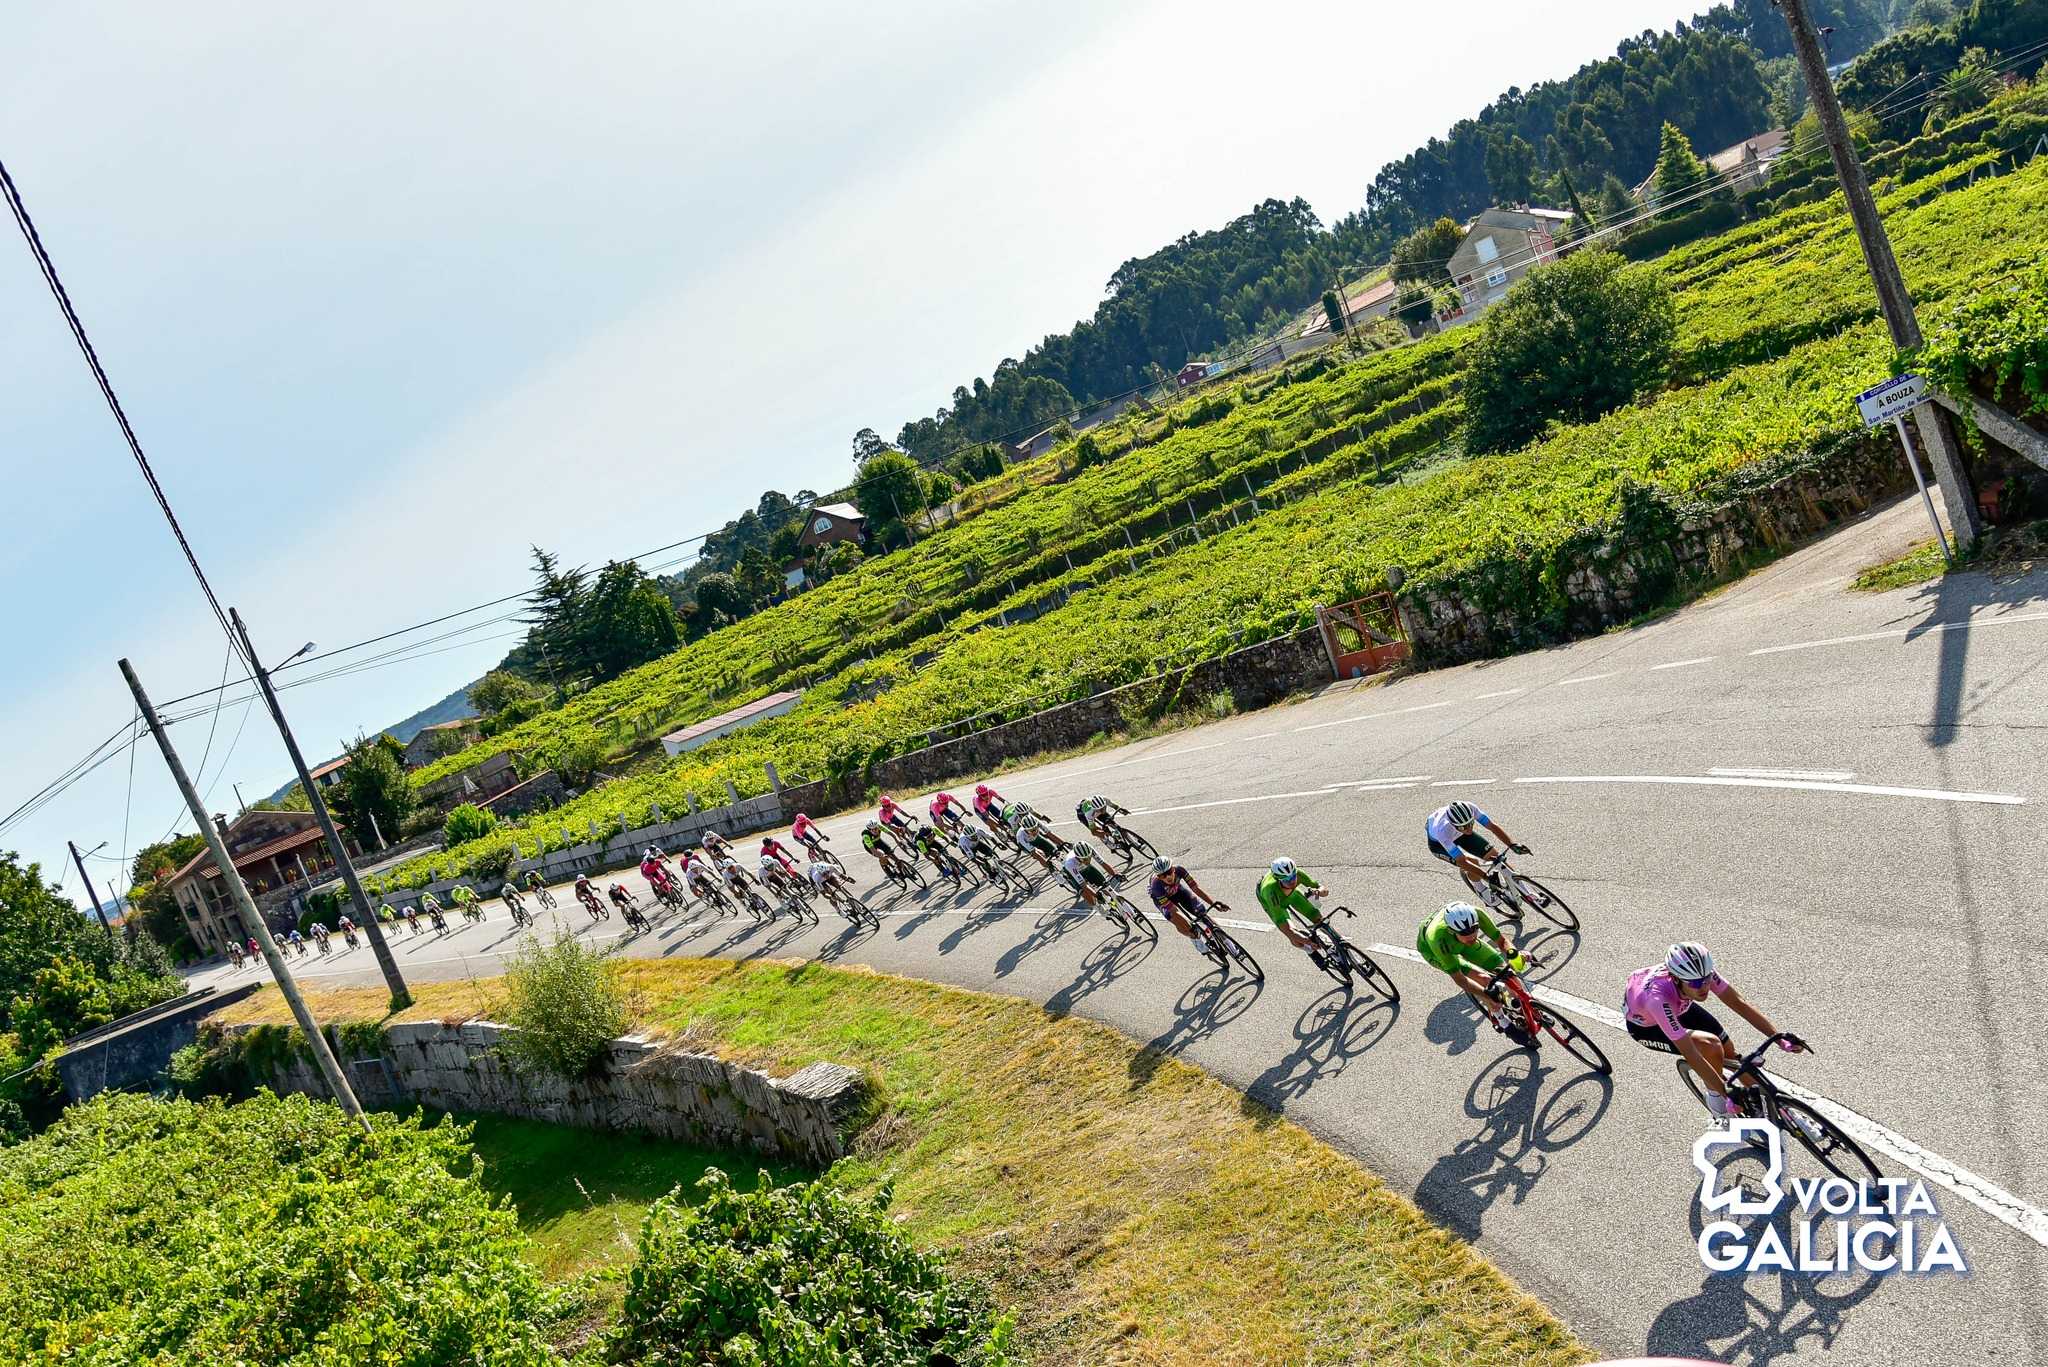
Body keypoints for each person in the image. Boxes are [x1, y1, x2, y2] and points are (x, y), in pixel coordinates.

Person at [1625, 942, 1806, 1118]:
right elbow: (1691, 1054)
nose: (1704, 987)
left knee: (1729, 1053)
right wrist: (1725, 1093)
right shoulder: (1658, 999)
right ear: (1676, 979)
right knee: (1710, 1046)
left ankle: (1775, 1109)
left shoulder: (1701, 973)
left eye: (1707, 980)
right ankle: (1718, 1109)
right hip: (1648, 1027)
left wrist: (1778, 1038)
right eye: (1696, 984)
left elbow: (1739, 1003)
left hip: (1680, 1007)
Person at [1416, 902, 1530, 1042]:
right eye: (1464, 933)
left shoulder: (1477, 914)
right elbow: (1460, 980)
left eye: (1474, 929)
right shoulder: (1438, 939)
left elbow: (1502, 941)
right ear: (1452, 931)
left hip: (1457, 942)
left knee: (1506, 972)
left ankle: (1529, 1007)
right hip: (1435, 951)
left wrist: (1514, 954)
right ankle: (1502, 1021)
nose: (1471, 936)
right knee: (1484, 981)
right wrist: (1486, 993)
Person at [1424, 801, 1529, 906]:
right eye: (1463, 827)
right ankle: (1480, 889)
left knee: (1496, 857)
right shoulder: (1442, 830)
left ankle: (1525, 890)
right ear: (1453, 824)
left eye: (1470, 824)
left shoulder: (1470, 808)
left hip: (1460, 835)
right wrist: (1486, 877)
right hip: (1439, 845)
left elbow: (1492, 826)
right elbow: (1462, 862)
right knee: (1472, 861)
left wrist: (1512, 844)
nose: (1469, 829)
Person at [1254, 857, 1330, 957]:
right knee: (1294, 935)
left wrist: (1318, 892)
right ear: (1278, 880)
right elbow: (1286, 928)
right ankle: (1309, 951)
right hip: (1275, 901)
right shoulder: (1270, 893)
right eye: (1287, 880)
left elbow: (1325, 891)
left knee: (1318, 918)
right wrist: (1307, 942)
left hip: (1291, 893)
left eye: (1293, 877)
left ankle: (1339, 943)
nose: (1292, 881)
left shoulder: (1297, 874)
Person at [1145, 857, 1208, 942]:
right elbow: (1173, 910)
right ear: (1158, 877)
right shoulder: (1156, 886)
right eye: (1162, 875)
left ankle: (1222, 937)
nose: (1167, 877)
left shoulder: (1179, 870)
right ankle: (1195, 940)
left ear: (1173, 868)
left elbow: (1196, 888)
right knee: (1181, 923)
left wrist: (1214, 904)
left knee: (1202, 912)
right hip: (1160, 898)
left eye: (1169, 872)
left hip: (1176, 890)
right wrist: (1189, 927)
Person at [1058, 840, 1113, 909]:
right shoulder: (1070, 864)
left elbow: (1103, 863)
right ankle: (1099, 908)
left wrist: (1115, 874)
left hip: (1086, 868)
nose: (1087, 861)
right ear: (1077, 857)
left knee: (1106, 886)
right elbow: (1083, 885)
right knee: (1088, 896)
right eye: (1084, 859)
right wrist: (1096, 895)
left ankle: (1114, 904)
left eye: (1088, 858)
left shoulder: (1090, 849)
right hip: (1072, 873)